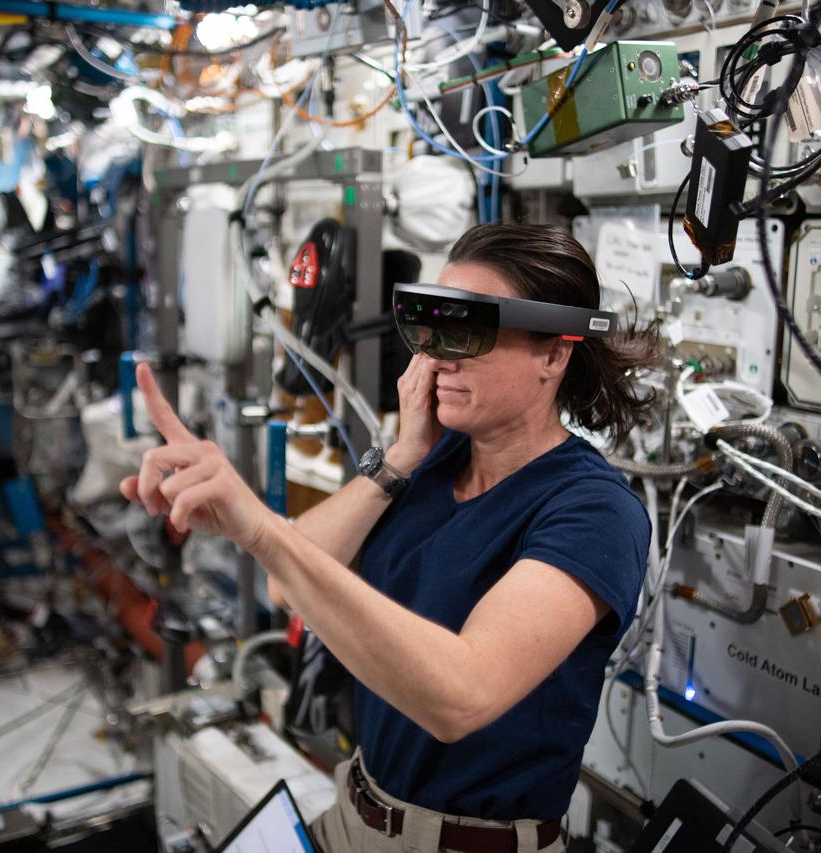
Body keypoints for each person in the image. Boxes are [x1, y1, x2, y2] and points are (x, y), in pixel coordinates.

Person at [121, 224, 663, 853]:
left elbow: (459, 697)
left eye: (468, 329)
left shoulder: (593, 511)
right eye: (427, 325)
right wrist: (400, 455)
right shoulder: (432, 458)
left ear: (554, 353)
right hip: (353, 812)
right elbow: (287, 585)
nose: (437, 356)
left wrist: (264, 528)